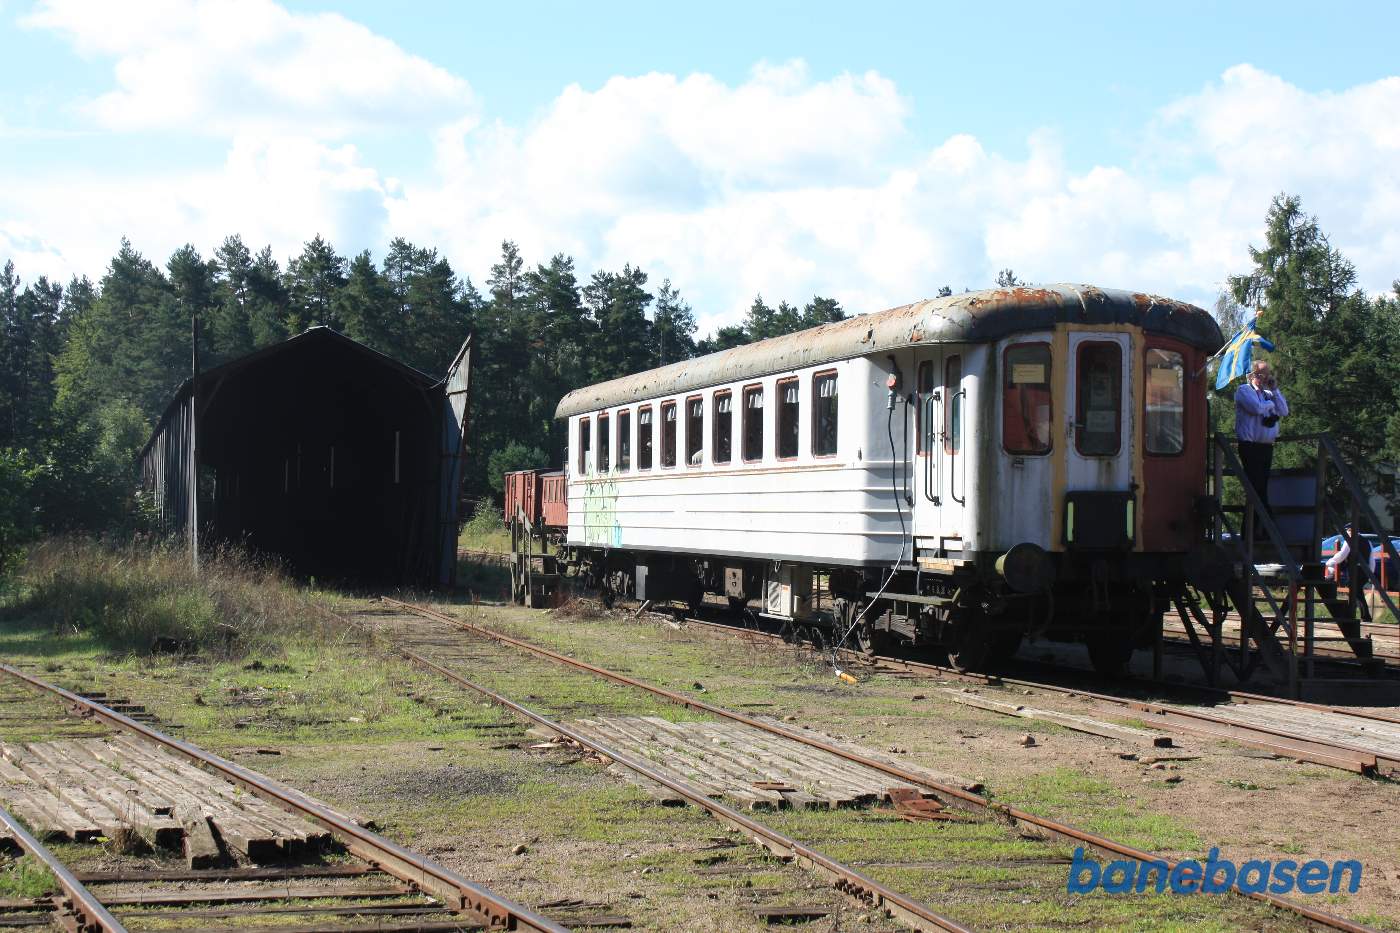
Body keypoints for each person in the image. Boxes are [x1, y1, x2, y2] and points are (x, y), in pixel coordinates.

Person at [1234, 359, 1289, 521]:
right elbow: (1256, 408)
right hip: (1250, 446)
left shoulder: (1269, 394)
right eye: (1261, 374)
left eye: (1267, 374)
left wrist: (1275, 390)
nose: (1264, 378)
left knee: (1262, 487)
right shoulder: (1243, 390)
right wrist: (1269, 405)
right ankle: (1262, 526)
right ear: (1252, 375)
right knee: (1255, 487)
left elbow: (1284, 411)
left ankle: (1256, 529)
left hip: (1266, 447)